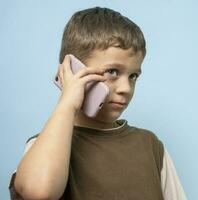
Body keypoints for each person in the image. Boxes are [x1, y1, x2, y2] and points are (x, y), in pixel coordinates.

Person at [9, 6, 187, 200]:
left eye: (133, 76)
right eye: (112, 72)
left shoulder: (151, 147)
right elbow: (39, 192)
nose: (126, 88)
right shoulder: (45, 146)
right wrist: (67, 104)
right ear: (73, 71)